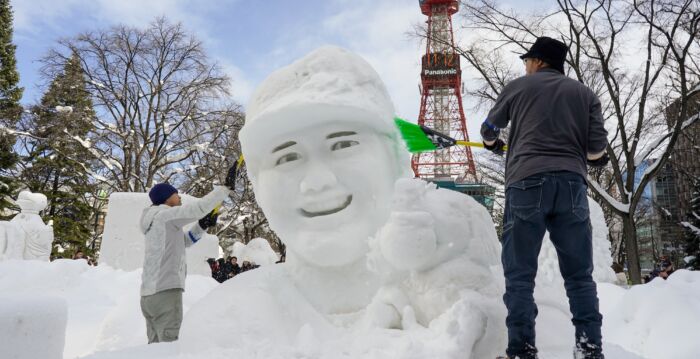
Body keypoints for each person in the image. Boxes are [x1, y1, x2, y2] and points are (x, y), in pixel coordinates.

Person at [483, 37, 608, 359]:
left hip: (526, 182)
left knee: (520, 275)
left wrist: (493, 144)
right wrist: (592, 158)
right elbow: (596, 151)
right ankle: (589, 349)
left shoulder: (518, 87)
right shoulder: (585, 94)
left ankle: (521, 351)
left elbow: (487, 129)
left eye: (527, 60)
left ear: (538, 61)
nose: (525, 66)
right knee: (580, 276)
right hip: (571, 186)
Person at [138, 163, 239, 343]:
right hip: (165, 292)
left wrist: (202, 225)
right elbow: (198, 208)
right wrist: (225, 189)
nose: (180, 198)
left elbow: (184, 242)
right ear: (167, 198)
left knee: (154, 349)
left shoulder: (156, 222)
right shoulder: (164, 215)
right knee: (168, 347)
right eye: (176, 195)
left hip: (148, 297)